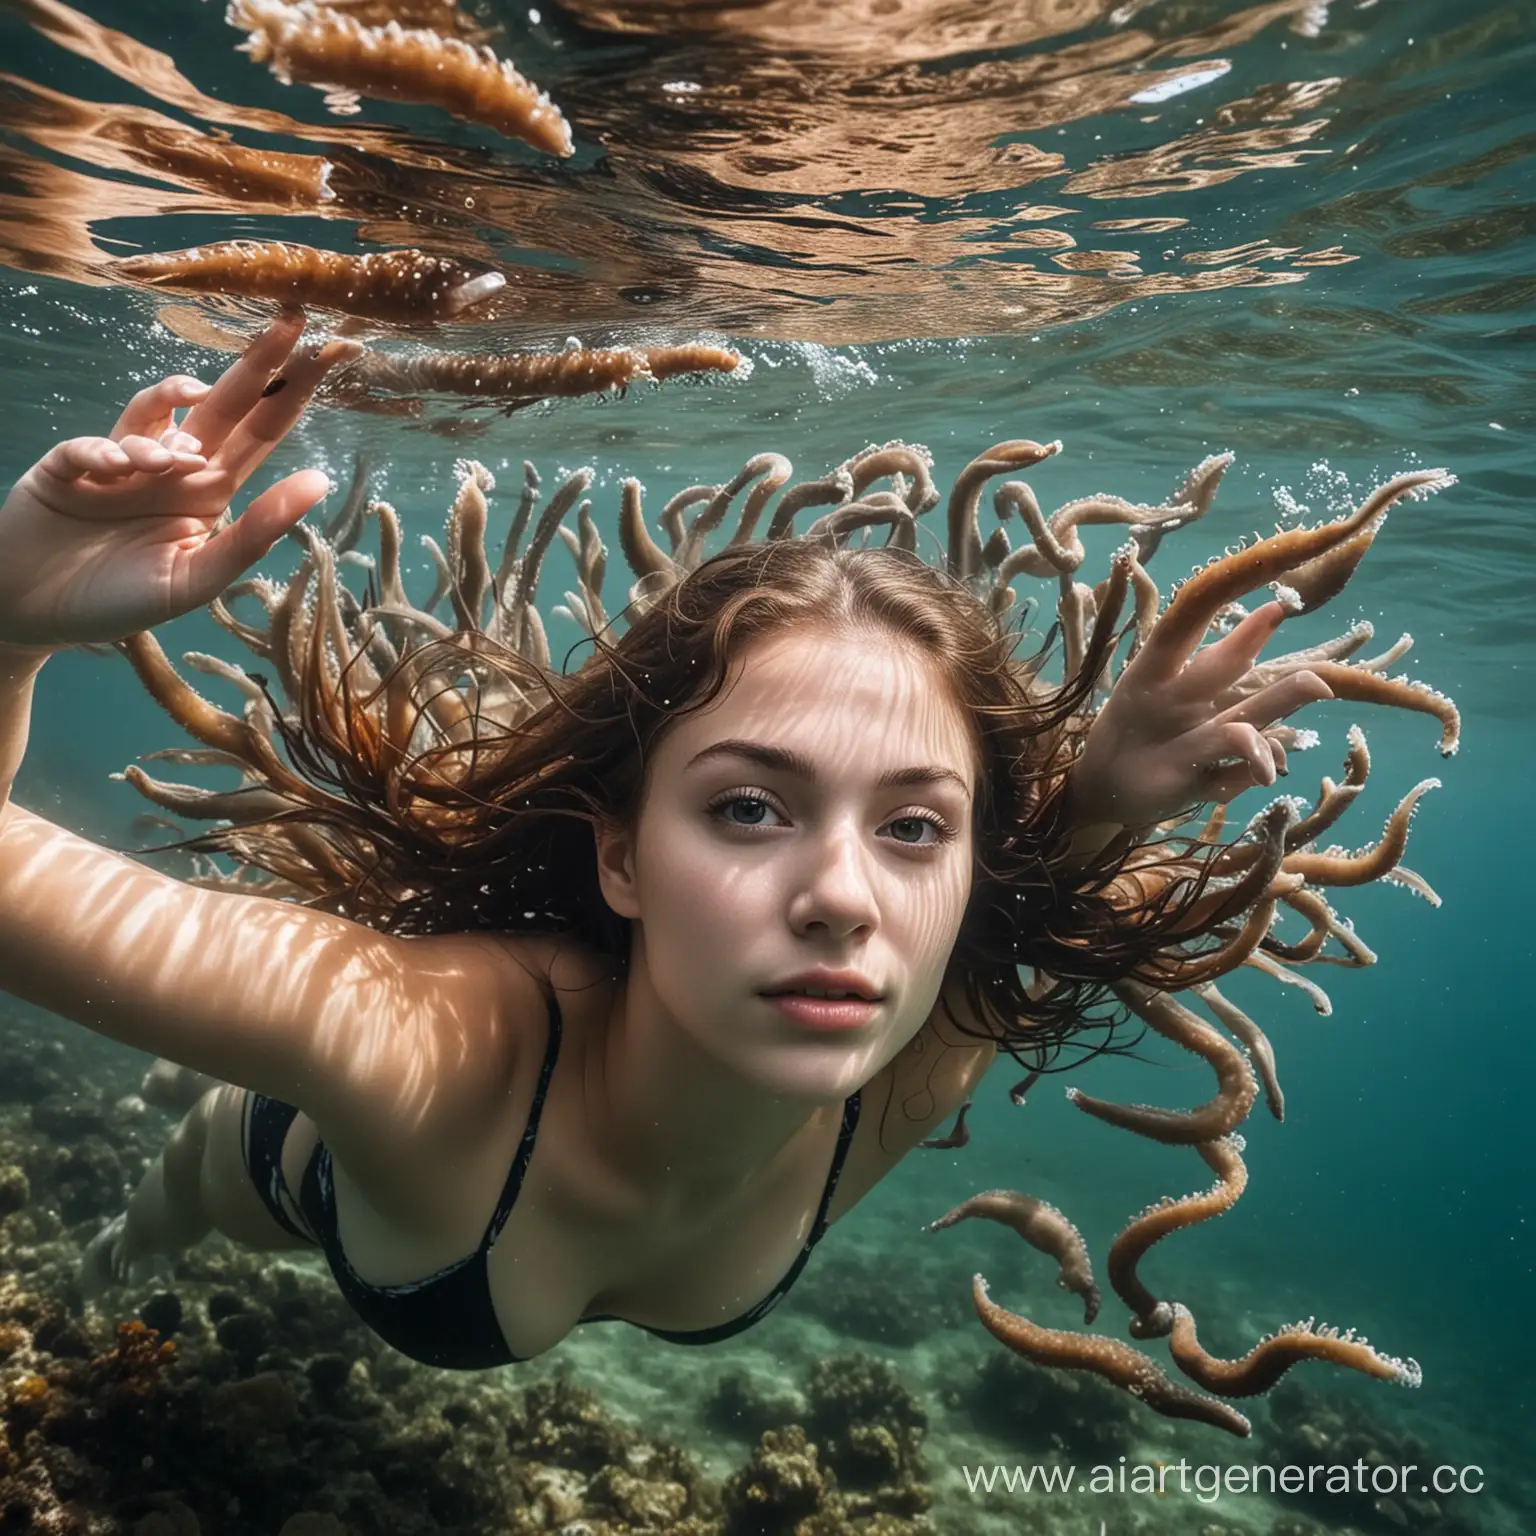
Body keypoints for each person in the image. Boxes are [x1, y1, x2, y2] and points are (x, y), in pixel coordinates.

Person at [0, 314, 1328, 1370]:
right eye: (750, 807)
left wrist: (1100, 799)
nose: (842, 900)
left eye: (915, 825)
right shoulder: (410, 1046)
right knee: (161, 1227)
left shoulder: (910, 1069)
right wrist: (10, 628)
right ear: (622, 856)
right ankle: (119, 1244)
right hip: (287, 1162)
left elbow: (1024, 914)